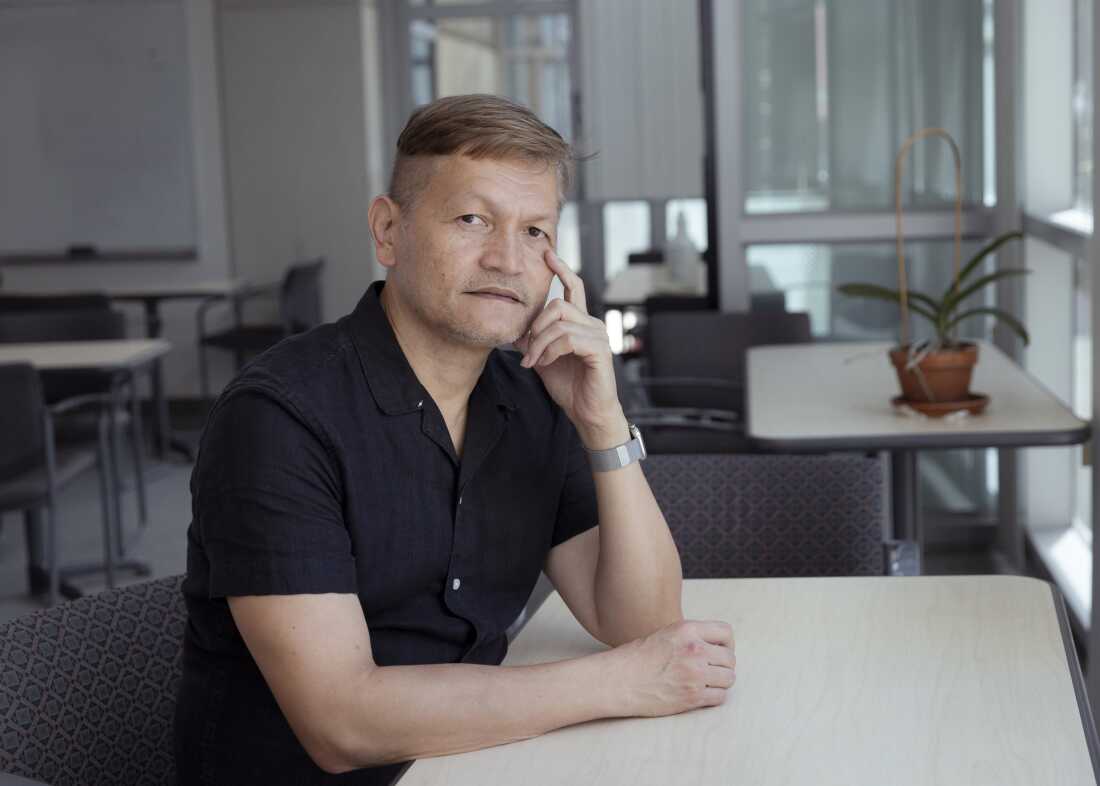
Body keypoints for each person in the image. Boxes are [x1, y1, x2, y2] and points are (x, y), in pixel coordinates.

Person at [174, 93, 735, 785]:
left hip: (474, 757)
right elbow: (341, 723)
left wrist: (602, 421)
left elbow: (643, 623)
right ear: (388, 231)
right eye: (473, 219)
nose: (508, 259)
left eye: (536, 232)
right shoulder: (279, 418)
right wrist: (618, 683)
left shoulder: (533, 393)